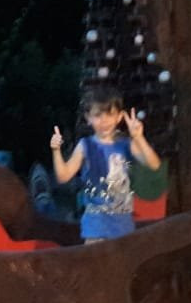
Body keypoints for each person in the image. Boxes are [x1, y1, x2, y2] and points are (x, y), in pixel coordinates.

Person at [50, 89, 161, 241]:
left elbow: (154, 165)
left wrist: (139, 138)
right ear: (88, 118)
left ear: (119, 117)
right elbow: (63, 176)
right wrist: (56, 150)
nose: (104, 121)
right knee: (94, 257)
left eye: (110, 114)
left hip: (124, 227)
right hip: (95, 228)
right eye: (97, 115)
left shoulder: (126, 144)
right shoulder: (85, 145)